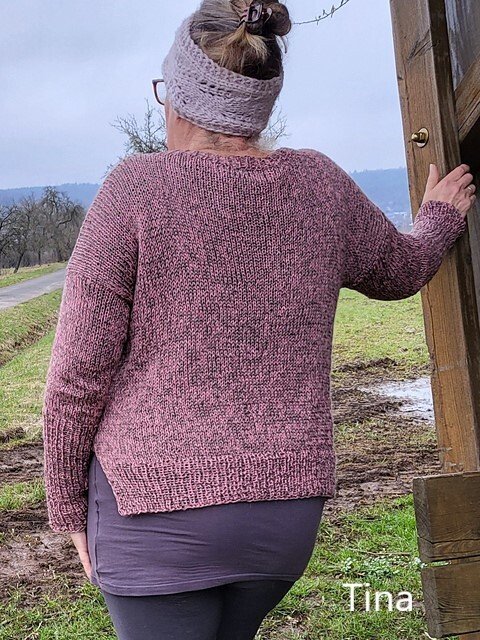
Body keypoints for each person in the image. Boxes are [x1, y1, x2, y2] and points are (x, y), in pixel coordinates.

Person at [41, 1, 476, 638]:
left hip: (153, 512)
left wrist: (66, 506)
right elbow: (400, 270)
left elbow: (78, 373)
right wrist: (438, 218)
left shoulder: (133, 191)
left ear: (180, 98)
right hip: (282, 519)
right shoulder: (318, 185)